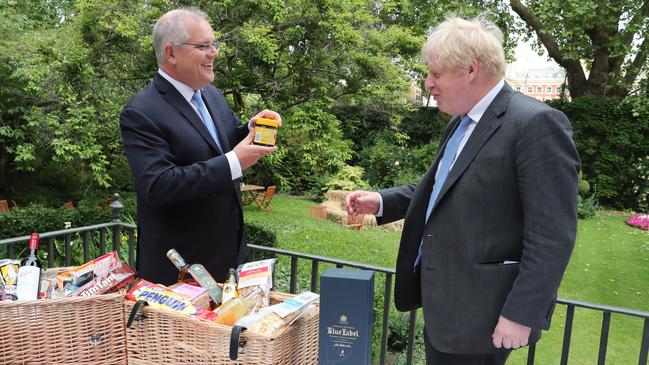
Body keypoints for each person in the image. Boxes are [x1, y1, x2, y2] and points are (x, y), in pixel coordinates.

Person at [346, 16, 580, 364]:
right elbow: (443, 190)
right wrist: (380, 202)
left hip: (482, 317)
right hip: (444, 308)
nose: (428, 84)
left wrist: (521, 313)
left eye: (436, 74)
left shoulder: (535, 124)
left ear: (470, 69)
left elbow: (553, 235)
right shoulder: (460, 122)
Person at [120, 8, 281, 285]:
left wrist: (251, 129)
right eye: (204, 46)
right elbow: (158, 185)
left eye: (213, 44)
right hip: (181, 273)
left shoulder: (211, 95)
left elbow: (222, 141)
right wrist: (234, 162)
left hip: (228, 261)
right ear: (171, 53)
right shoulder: (141, 112)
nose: (214, 53)